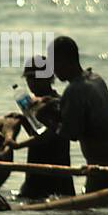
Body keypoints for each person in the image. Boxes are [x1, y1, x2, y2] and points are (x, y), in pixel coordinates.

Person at [51, 36, 108, 193]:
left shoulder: (74, 90)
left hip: (102, 171)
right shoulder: (96, 80)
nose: (53, 70)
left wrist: (44, 119)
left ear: (66, 60)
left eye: (55, 64)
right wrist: (56, 104)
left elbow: (69, 134)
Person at [12, 57, 75, 199]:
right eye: (29, 79)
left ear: (49, 78)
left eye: (37, 78)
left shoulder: (56, 103)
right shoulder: (34, 104)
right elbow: (36, 132)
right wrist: (22, 120)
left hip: (55, 176)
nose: (33, 83)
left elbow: (49, 136)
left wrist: (18, 145)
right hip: (35, 176)